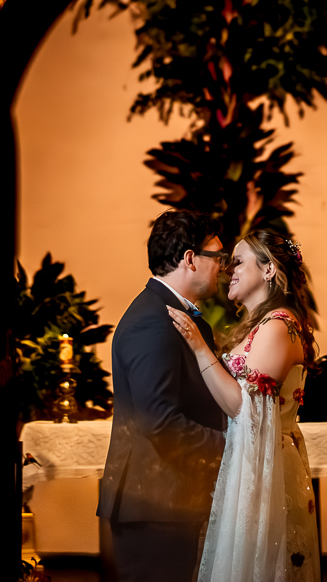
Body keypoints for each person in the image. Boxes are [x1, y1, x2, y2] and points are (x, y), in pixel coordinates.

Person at [167, 229, 321, 582]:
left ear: (269, 270)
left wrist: (198, 345)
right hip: (252, 461)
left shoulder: (279, 326)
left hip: (268, 469)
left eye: (238, 261)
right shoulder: (262, 326)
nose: (228, 270)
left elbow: (245, 409)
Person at [98, 209, 230, 582]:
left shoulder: (172, 314)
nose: (222, 266)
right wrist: (230, 448)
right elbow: (159, 420)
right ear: (190, 258)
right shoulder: (152, 321)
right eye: (216, 256)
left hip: (169, 499)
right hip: (153, 502)